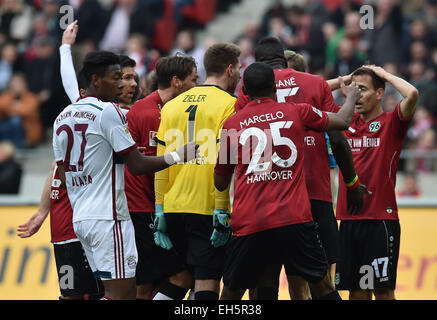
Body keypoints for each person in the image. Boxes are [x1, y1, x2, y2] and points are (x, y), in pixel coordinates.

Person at [52, 50, 198, 300]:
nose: (121, 84)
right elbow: (138, 165)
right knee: (120, 295)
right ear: (96, 80)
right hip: (109, 218)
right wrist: (177, 156)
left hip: (82, 219)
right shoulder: (108, 112)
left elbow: (64, 175)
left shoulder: (61, 117)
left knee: (126, 292)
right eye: (116, 78)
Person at [235, 36, 368, 300]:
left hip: (265, 198)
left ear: (256, 64)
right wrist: (351, 183)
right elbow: (339, 139)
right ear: (285, 60)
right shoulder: (315, 83)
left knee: (264, 279)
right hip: (313, 192)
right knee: (319, 280)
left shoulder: (246, 91)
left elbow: (238, 145)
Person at [153, 42, 241, 300]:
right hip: (208, 206)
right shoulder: (230, 105)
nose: (238, 74)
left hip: (173, 205)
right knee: (207, 280)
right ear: (229, 69)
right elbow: (225, 158)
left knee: (182, 279)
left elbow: (162, 161)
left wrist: (159, 208)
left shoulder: (171, 106)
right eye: (237, 68)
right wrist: (222, 209)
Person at [335, 65, 418, 300]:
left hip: (380, 220)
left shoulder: (392, 124)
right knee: (357, 292)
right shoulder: (344, 124)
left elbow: (412, 94)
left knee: (382, 292)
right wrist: (345, 82)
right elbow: (312, 92)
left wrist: (384, 75)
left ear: (379, 93)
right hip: (349, 220)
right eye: (353, 90)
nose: (356, 95)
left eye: (362, 89)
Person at [125, 55, 198, 300]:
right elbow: (146, 164)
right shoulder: (151, 113)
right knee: (175, 280)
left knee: (148, 284)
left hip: (154, 207)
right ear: (177, 81)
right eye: (193, 80)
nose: (196, 86)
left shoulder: (163, 110)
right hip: (143, 209)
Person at [17, 161, 105, 300]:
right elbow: (55, 167)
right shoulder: (80, 146)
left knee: (74, 293)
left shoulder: (69, 143)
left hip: (67, 232)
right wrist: (42, 212)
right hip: (75, 233)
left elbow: (55, 167)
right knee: (89, 292)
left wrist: (42, 212)